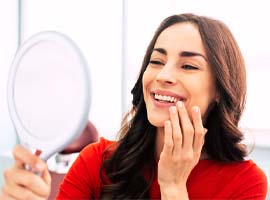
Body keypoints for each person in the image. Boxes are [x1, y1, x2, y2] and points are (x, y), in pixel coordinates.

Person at [1, 13, 268, 200]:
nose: (163, 75)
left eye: (188, 66)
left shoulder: (245, 184)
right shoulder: (97, 162)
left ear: (220, 90)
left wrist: (173, 187)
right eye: (156, 61)